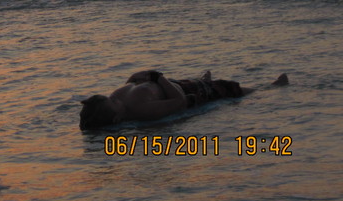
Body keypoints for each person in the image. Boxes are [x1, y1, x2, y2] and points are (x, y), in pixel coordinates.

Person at [79, 69, 289, 129]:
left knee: (191, 81)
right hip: (190, 93)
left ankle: (202, 79)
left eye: (111, 97)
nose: (117, 98)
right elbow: (179, 102)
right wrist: (158, 78)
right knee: (229, 89)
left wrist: (137, 78)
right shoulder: (143, 111)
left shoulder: (118, 100)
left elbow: (130, 84)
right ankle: (268, 89)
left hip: (173, 82)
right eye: (114, 102)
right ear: (117, 119)